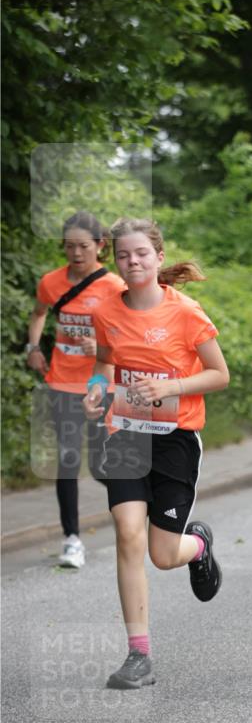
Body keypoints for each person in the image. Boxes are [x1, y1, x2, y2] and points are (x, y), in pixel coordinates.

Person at [83, 217, 229, 689]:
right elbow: (105, 363)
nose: (133, 262)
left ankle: (199, 544)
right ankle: (138, 655)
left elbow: (219, 374)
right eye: (124, 255)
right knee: (128, 534)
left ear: (159, 257)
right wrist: (95, 388)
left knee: (163, 555)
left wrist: (171, 385)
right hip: (124, 434)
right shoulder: (107, 310)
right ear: (116, 261)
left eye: (141, 253)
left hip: (175, 440)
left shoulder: (186, 312)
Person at [27, 211, 125, 568]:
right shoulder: (51, 282)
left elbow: (128, 334)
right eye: (69, 247)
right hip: (62, 383)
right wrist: (33, 347)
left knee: (101, 465)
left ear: (100, 246)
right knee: (67, 461)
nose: (76, 253)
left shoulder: (114, 286)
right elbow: (39, 314)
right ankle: (72, 540)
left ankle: (135, 504)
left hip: (100, 384)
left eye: (84, 246)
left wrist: (100, 347)